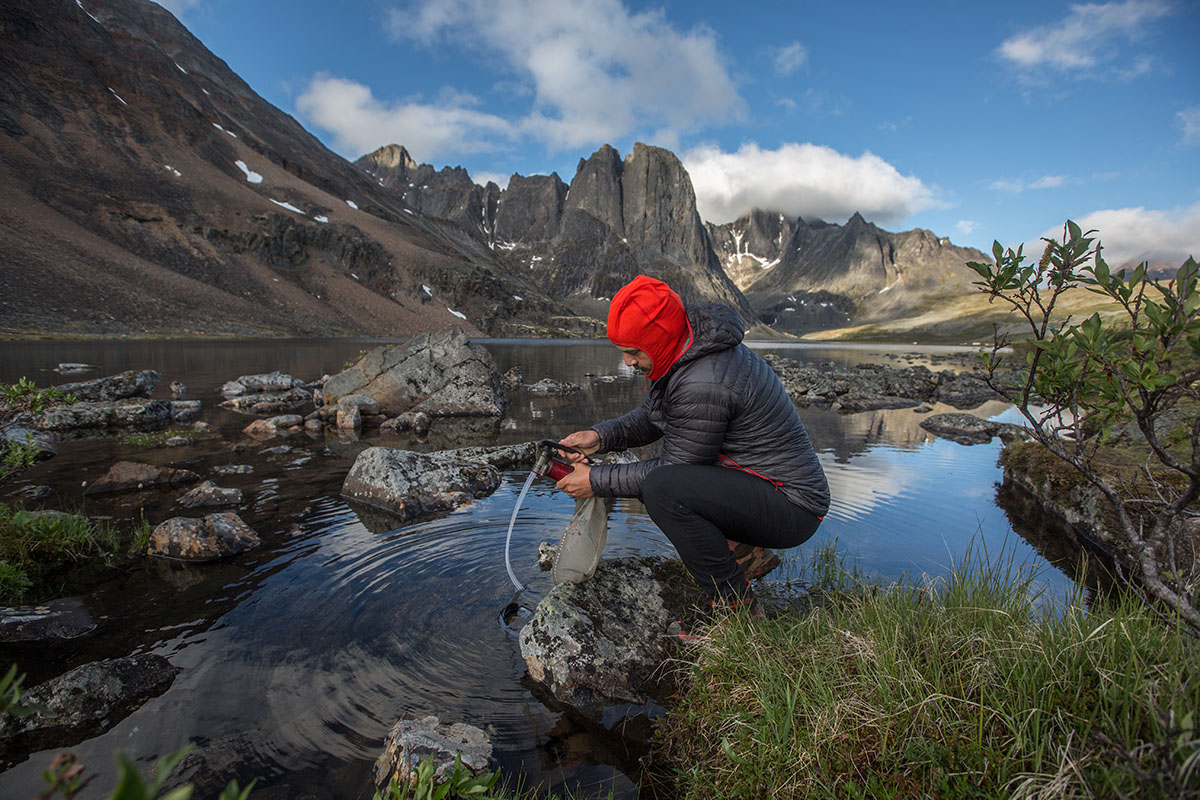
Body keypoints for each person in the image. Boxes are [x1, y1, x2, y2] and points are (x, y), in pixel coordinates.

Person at [555, 274, 830, 619]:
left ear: (658, 340)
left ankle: (737, 609)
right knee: (671, 486)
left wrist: (595, 481)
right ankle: (744, 553)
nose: (627, 362)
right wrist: (599, 437)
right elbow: (653, 417)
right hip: (769, 489)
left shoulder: (705, 379)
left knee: (664, 491)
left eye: (633, 352)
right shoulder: (688, 352)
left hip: (792, 507)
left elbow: (672, 473)